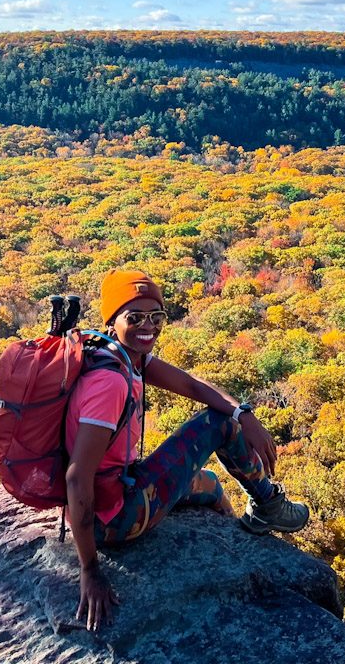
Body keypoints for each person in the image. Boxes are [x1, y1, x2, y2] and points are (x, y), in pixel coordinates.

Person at [65, 269, 310, 632]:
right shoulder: (109, 382)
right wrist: (90, 570)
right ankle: (268, 505)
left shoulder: (120, 355)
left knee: (210, 485)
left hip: (123, 490)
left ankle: (236, 538)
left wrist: (245, 413)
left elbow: (192, 385)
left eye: (156, 317)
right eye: (134, 317)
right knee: (220, 424)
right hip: (116, 519)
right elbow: (77, 477)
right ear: (112, 320)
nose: (148, 326)